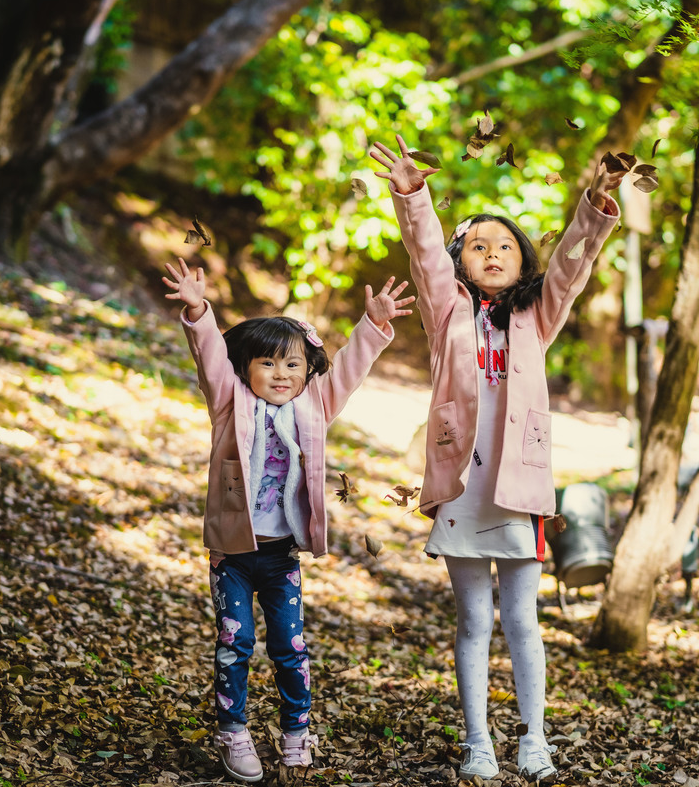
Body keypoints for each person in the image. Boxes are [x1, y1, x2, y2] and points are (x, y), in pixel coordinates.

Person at [370, 135, 623, 781]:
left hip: (519, 491)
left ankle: (534, 739)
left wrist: (594, 208)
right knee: (473, 621)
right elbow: (425, 256)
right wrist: (412, 195)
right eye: (477, 245)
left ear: (522, 263)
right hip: (460, 489)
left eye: (504, 245)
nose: (490, 253)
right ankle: (478, 743)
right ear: (462, 261)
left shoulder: (537, 318)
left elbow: (571, 268)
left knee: (522, 622)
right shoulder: (447, 311)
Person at [162, 258, 414, 782]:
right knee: (235, 644)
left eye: (294, 365)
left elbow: (346, 369)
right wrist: (197, 310)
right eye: (269, 365)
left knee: (290, 646)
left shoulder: (314, 406)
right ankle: (233, 731)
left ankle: (297, 731)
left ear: (307, 371)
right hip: (233, 553)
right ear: (246, 369)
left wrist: (373, 326)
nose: (282, 375)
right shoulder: (230, 402)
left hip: (282, 556)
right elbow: (209, 357)